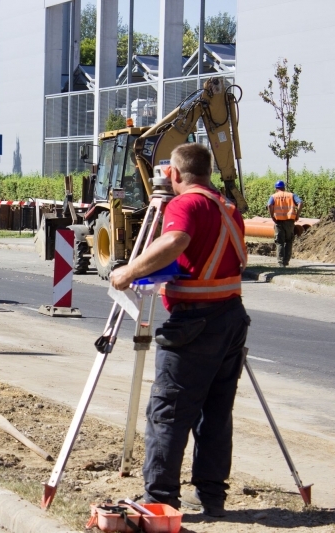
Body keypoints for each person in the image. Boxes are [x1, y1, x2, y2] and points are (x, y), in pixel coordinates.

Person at [110, 144, 250, 518]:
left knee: (168, 411)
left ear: (173, 173)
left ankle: (159, 498)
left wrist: (129, 272)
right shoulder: (228, 208)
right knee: (215, 413)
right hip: (231, 318)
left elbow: (176, 240)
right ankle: (211, 497)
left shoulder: (185, 204)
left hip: (194, 324)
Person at [267, 180, 302, 267]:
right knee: (289, 241)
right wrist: (297, 215)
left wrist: (272, 216)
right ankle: (286, 261)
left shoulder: (273, 196)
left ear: (276, 188)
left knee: (280, 242)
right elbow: (300, 203)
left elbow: (269, 205)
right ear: (284, 188)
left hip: (278, 221)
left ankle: (281, 262)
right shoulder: (291, 195)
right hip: (290, 221)